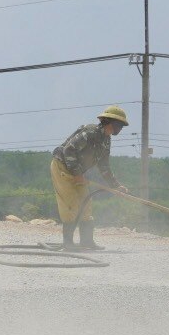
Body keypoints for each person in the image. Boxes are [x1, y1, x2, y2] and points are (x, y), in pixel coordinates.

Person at [51, 105, 130, 251]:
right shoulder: (90, 132)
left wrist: (115, 185)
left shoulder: (106, 140)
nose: (120, 128)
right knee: (70, 204)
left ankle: (86, 241)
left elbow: (104, 166)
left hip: (78, 172)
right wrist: (77, 174)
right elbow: (69, 149)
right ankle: (68, 244)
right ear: (109, 122)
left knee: (85, 204)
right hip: (62, 167)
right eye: (119, 124)